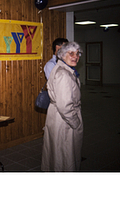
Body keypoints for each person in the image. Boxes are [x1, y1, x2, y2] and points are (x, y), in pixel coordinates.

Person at [41, 41, 83, 171]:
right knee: (65, 154)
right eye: (71, 53)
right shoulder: (63, 74)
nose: (75, 56)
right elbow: (65, 106)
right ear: (62, 55)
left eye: (77, 54)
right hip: (64, 120)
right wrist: (75, 123)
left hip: (58, 116)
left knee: (57, 151)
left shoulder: (62, 69)